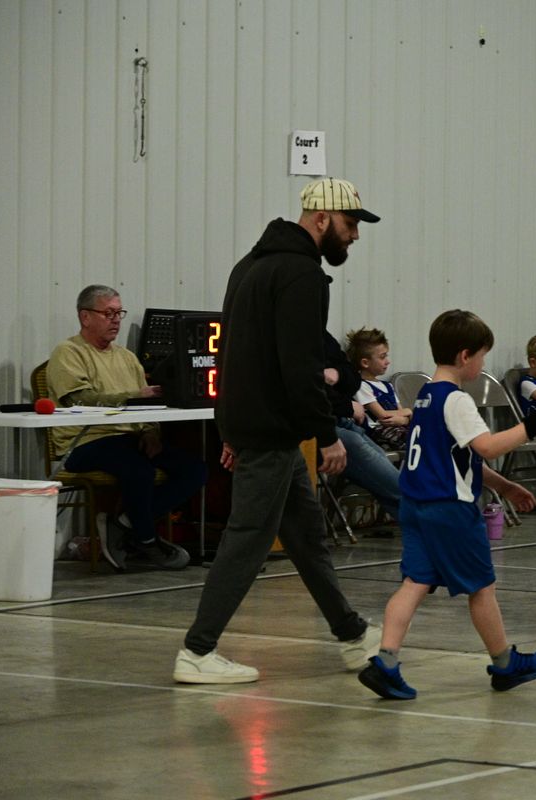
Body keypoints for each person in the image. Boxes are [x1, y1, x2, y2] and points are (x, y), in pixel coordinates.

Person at [174, 177, 383, 684]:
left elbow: (232, 356)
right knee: (248, 538)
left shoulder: (251, 265)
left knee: (305, 537)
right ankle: (197, 651)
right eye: (350, 223)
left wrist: (229, 426)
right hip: (271, 430)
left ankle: (352, 634)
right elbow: (300, 364)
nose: (355, 235)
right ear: (321, 219)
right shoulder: (301, 275)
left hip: (261, 427)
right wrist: (326, 434)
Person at [358, 309, 536, 700]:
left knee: (414, 583)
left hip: (414, 504)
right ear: (465, 355)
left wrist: (503, 485)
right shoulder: (455, 400)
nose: (483, 365)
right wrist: (534, 423)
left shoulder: (424, 397)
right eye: (482, 356)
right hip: (449, 508)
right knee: (482, 587)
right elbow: (486, 447)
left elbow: (459, 457)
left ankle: (385, 661)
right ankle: (505, 664)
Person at [47, 285, 205, 571]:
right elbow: (79, 399)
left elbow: (147, 406)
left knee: (195, 469)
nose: (116, 320)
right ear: (85, 317)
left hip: (129, 437)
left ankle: (125, 524)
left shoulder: (127, 357)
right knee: (138, 469)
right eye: (108, 313)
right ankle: (146, 540)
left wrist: (151, 432)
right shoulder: (68, 352)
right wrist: (132, 397)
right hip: (85, 441)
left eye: (119, 313)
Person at [325, 330, 403, 522]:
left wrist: (338, 375)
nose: (387, 361)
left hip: (342, 418)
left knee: (382, 470)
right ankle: (426, 515)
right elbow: (309, 388)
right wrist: (345, 404)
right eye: (382, 357)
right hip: (325, 422)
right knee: (389, 482)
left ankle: (420, 523)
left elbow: (349, 375)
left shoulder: (322, 337)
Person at [345, 326, 412, 451]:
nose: (387, 362)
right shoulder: (361, 386)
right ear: (365, 363)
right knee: (414, 439)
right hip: (377, 432)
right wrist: (409, 412)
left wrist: (404, 420)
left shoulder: (388, 386)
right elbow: (383, 415)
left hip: (398, 427)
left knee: (425, 432)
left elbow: (400, 411)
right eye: (382, 357)